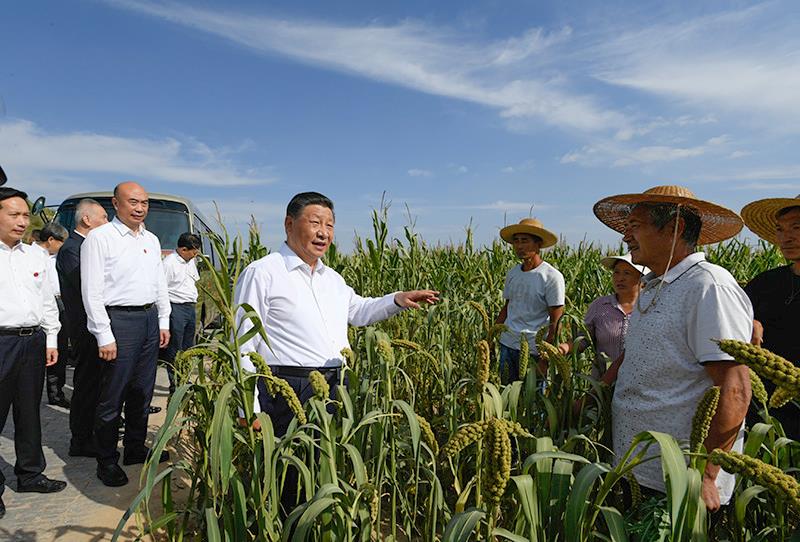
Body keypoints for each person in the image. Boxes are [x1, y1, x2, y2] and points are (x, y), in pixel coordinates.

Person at [593, 185, 752, 512]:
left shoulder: (709, 286)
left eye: (635, 226)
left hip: (679, 479)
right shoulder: (653, 286)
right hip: (636, 467)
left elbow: (734, 389)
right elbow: (637, 354)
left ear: (675, 227)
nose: (626, 237)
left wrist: (705, 475)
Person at [234, 192, 438, 433]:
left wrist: (397, 299)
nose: (324, 232)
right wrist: (248, 408)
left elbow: (359, 311)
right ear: (289, 224)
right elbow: (243, 343)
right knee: (289, 468)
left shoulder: (332, 279)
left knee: (323, 466)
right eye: (315, 223)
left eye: (329, 225)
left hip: (333, 387)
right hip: (286, 391)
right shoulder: (263, 273)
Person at [81, 182, 171, 487]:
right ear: (116, 204)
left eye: (144, 202)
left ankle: (134, 448)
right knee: (112, 395)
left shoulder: (152, 239)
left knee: (142, 391)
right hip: (119, 321)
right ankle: (106, 460)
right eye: (133, 202)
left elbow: (159, 283)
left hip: (148, 320)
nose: (140, 208)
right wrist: (103, 334)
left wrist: (164, 320)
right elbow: (91, 290)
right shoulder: (100, 238)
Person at [0, 187, 67, 520]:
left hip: (33, 342)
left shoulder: (35, 256)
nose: (22, 221)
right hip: (1, 342)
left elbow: (45, 303)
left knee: (29, 412)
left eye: (25, 215)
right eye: (13, 214)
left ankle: (30, 474)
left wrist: (51, 339)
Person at [740, 195, 800, 439]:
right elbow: (728, 320)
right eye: (780, 229)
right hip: (764, 416)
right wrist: (747, 322)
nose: (786, 237)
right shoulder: (765, 283)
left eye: (796, 228)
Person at [56, 198, 108, 457]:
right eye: (103, 218)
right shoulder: (72, 249)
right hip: (85, 328)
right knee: (86, 385)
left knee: (98, 383)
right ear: (87, 219)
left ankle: (93, 432)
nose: (107, 223)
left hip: (94, 326)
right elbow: (87, 286)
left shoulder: (87, 246)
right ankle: (81, 441)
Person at [494, 218, 565, 384]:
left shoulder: (551, 277)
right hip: (508, 345)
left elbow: (556, 322)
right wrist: (492, 336)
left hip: (534, 350)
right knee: (506, 397)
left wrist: (545, 359)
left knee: (533, 403)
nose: (519, 246)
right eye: (516, 241)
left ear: (538, 244)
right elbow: (507, 308)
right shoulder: (513, 273)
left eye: (524, 241)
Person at [559, 254, 649, 379]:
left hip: (638, 383)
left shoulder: (650, 307)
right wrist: (562, 349)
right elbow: (583, 339)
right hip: (602, 385)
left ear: (642, 279)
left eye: (627, 273)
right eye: (616, 273)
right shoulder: (600, 306)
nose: (620, 278)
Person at [31, 222, 71, 407]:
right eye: (62, 242)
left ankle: (55, 393)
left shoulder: (53, 258)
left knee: (58, 348)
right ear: (51, 240)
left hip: (58, 303)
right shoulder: (30, 256)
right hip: (37, 308)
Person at [161, 232, 201, 395]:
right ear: (184, 249)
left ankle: (184, 379)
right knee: (175, 349)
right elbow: (161, 289)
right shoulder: (169, 264)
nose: (196, 254)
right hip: (175, 308)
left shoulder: (190, 261)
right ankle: (175, 385)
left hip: (190, 308)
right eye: (194, 251)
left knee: (187, 347)